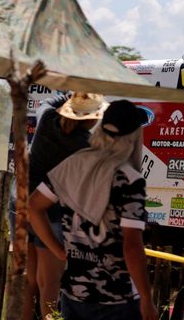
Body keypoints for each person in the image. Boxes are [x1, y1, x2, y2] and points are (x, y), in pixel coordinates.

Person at [29, 100, 157, 320]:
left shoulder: (72, 164)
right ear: (134, 135)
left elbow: (33, 206)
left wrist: (59, 250)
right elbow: (132, 246)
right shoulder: (129, 179)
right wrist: (146, 297)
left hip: (74, 297)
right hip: (118, 300)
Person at [23, 91, 108, 320]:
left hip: (20, 202)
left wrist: (72, 94)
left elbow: (49, 101)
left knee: (30, 280)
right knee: (49, 284)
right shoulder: (83, 145)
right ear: (90, 118)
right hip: (49, 211)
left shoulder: (47, 117)